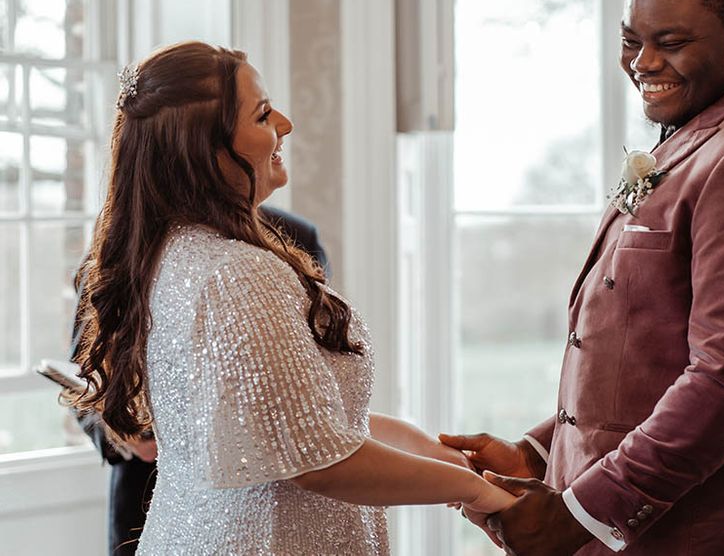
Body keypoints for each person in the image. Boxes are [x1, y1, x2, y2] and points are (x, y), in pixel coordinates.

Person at [70, 41, 515, 555]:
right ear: (205, 148)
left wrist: (441, 457)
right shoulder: (237, 274)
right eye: (262, 115)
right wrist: (479, 493)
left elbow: (296, 424)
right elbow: (319, 460)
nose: (285, 123)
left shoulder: (168, 254)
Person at [442, 0, 724, 555]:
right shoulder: (689, 138)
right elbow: (639, 356)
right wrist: (540, 451)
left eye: (671, 43)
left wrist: (575, 516)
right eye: (631, 41)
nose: (643, 63)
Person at [72, 204, 331, 555]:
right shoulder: (124, 239)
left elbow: (319, 363)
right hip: (147, 497)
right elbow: (87, 372)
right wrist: (121, 435)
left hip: (269, 495)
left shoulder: (296, 234)